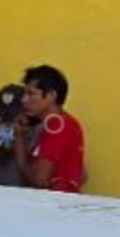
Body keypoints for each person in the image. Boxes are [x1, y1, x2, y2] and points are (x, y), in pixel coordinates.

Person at [14, 64, 87, 194]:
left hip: (54, 206)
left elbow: (39, 180)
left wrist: (19, 140)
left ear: (51, 95)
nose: (24, 100)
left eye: (31, 94)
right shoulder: (61, 123)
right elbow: (83, 174)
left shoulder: (58, 125)